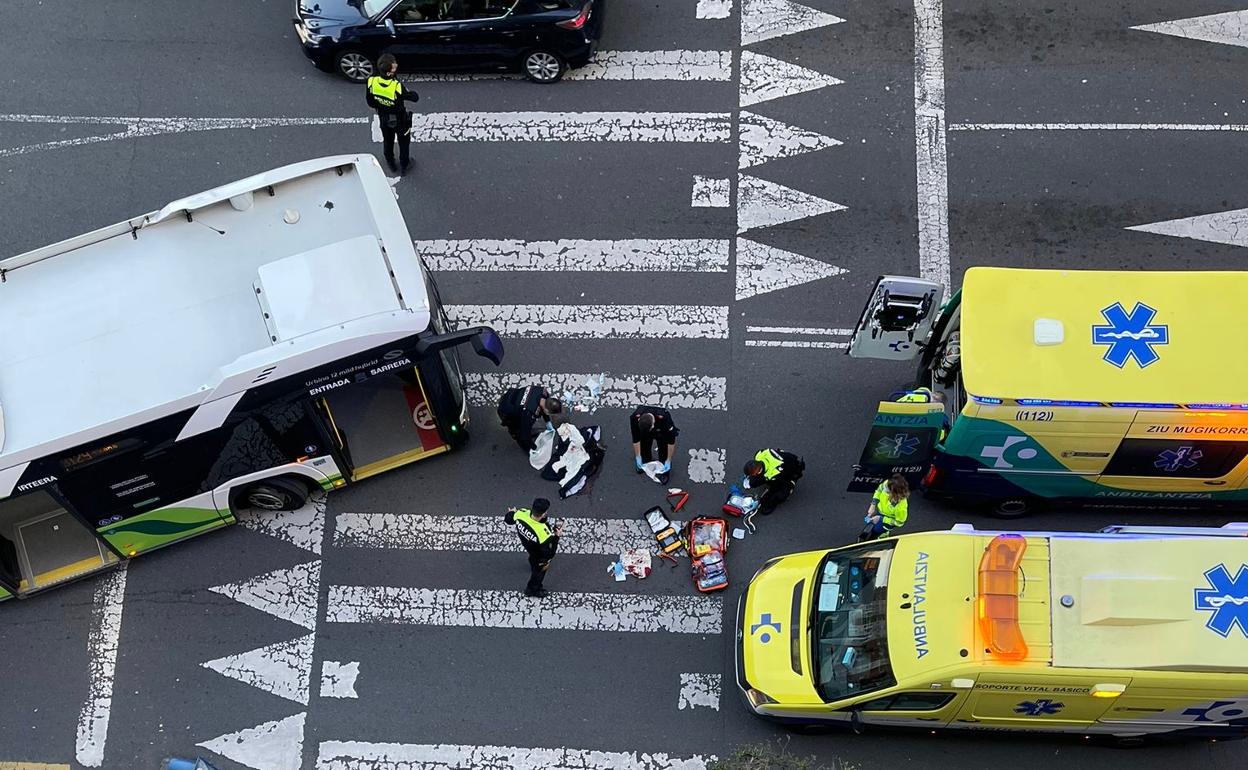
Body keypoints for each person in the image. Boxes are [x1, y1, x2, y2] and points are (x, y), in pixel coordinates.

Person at [365, 53, 419, 174]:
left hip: (384, 118)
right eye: (394, 66)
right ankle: (404, 165)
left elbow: (370, 102)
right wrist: (412, 93)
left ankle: (391, 163)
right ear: (390, 72)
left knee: (388, 141)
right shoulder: (396, 86)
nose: (397, 66)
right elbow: (414, 98)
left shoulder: (371, 81)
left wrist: (382, 104)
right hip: (400, 120)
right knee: (404, 143)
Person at [505, 498, 561, 598]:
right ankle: (532, 589)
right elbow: (549, 554)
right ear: (544, 513)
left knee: (532, 559)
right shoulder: (544, 534)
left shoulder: (521, 513)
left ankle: (533, 565)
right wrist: (556, 536)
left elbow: (509, 519)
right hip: (539, 555)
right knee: (538, 574)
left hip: (528, 546)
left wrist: (511, 513)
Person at [497, 385, 561, 452]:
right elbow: (525, 436)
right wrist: (534, 448)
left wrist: (548, 421)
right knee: (519, 433)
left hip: (513, 395)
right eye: (550, 414)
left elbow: (544, 408)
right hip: (506, 409)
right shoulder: (528, 413)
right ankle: (524, 446)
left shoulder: (543, 391)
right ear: (547, 411)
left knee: (524, 425)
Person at [742, 448, 805, 516]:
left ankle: (792, 483)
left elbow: (785, 472)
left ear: (757, 470)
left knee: (781, 494)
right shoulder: (759, 455)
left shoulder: (776, 471)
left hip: (788, 471)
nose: (753, 475)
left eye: (753, 474)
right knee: (753, 483)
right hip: (781, 463)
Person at [630, 405, 679, 483]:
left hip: (661, 433)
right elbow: (636, 438)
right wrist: (638, 456)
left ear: (653, 424)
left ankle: (664, 470)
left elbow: (671, 441)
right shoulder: (634, 417)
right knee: (644, 447)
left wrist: (668, 459)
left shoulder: (664, 419)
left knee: (663, 450)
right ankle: (645, 461)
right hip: (644, 433)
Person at [862, 474, 909, 540]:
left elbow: (899, 523)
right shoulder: (888, 484)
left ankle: (882, 537)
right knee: (875, 526)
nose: (885, 490)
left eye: (887, 491)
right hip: (881, 512)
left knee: (876, 531)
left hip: (888, 522)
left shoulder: (900, 508)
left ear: (895, 493)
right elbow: (879, 490)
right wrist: (873, 505)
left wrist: (881, 519)